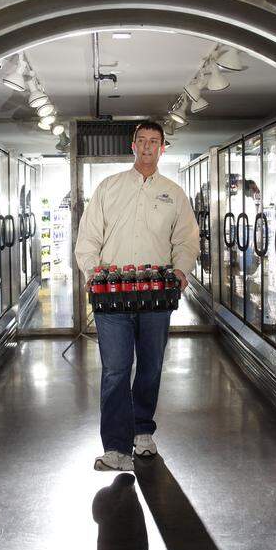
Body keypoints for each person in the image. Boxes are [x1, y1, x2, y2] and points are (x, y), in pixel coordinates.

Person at [74, 120, 199, 471]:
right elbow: (88, 237)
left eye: (154, 142)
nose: (147, 147)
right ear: (133, 146)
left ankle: (142, 430)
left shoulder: (174, 193)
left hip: (156, 294)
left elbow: (187, 239)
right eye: (141, 141)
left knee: (150, 365)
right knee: (115, 370)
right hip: (111, 294)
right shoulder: (109, 188)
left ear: (162, 148)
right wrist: (91, 271)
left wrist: (180, 269)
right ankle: (115, 447)